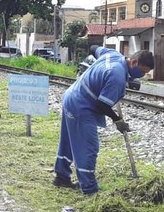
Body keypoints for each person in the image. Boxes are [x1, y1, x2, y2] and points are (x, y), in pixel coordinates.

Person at [53, 46, 154, 195]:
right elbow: (102, 105)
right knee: (88, 148)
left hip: (72, 96)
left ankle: (61, 177)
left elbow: (93, 48)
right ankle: (89, 188)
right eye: (142, 71)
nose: (141, 75)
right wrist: (117, 120)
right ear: (133, 62)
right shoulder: (117, 76)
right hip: (81, 107)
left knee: (68, 142)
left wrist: (92, 73)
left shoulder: (113, 54)